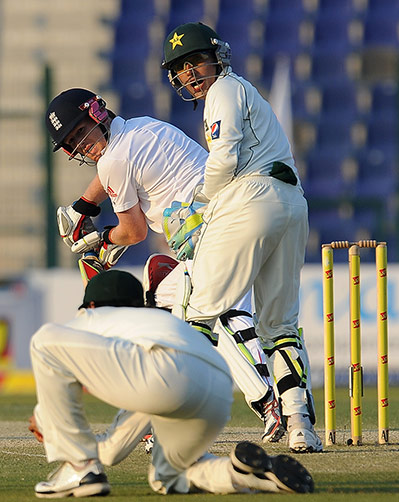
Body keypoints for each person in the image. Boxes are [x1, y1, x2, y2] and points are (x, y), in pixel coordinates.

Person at [45, 87, 285, 443]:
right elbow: (113, 169)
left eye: (82, 132)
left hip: (215, 233)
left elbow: (134, 231)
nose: (82, 145)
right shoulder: (144, 126)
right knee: (161, 297)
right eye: (73, 142)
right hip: (240, 216)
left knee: (220, 315)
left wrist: (99, 241)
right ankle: (158, 416)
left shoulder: (113, 161)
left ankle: (270, 405)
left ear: (96, 114)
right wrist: (83, 205)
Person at [160, 22, 322, 453]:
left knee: (198, 313)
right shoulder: (239, 90)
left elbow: (224, 157)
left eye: (196, 62)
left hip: (249, 198)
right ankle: (299, 423)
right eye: (181, 69)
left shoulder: (223, 91)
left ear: (217, 58)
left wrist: (198, 205)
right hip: (292, 203)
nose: (190, 74)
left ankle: (180, 422)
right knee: (280, 324)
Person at [29, 269, 314, 497]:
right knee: (167, 477)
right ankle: (244, 474)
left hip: (165, 374)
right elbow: (111, 451)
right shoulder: (151, 324)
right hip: (215, 386)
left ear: (91, 305)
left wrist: (47, 418)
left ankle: (79, 468)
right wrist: (91, 449)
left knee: (43, 341)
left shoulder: (93, 317)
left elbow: (58, 359)